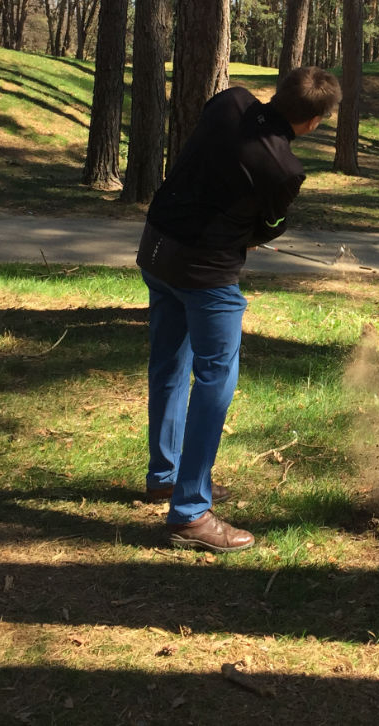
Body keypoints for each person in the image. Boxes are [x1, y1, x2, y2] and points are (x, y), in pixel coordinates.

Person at [136, 66, 342, 553]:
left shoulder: (230, 100)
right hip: (206, 274)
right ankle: (188, 511)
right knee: (215, 380)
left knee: (169, 363)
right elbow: (270, 227)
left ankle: (164, 475)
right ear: (314, 121)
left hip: (157, 250)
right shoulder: (286, 170)